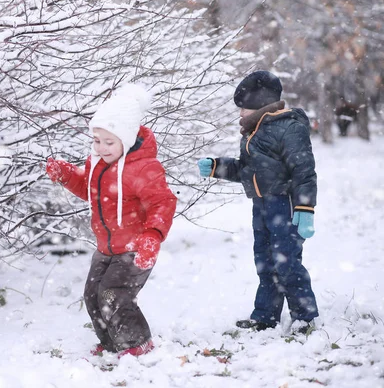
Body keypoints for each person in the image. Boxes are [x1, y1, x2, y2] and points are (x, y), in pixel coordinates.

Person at [45, 84, 177, 357]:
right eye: (96, 140)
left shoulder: (143, 167)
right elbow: (90, 191)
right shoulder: (97, 163)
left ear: (126, 139)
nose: (101, 148)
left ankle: (136, 343)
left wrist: (152, 235)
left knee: (114, 294)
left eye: (109, 142)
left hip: (136, 247)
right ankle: (111, 343)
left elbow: (162, 202)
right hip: (106, 247)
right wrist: (68, 175)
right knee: (93, 295)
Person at [197, 70, 319, 333]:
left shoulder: (289, 128)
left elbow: (304, 171)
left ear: (261, 104)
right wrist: (218, 167)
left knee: (287, 263)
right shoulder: (255, 131)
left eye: (244, 107)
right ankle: (265, 316)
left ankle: (304, 318)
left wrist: (305, 207)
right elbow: (246, 170)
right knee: (265, 261)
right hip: (262, 206)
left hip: (285, 205)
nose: (240, 113)